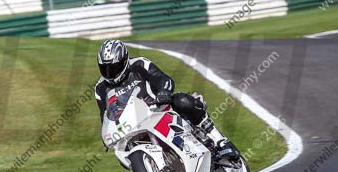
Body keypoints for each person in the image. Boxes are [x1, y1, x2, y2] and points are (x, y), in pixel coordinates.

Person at [94, 40, 240, 161]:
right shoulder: (100, 88)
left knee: (182, 101)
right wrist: (107, 134)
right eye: (105, 68)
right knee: (123, 152)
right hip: (132, 125)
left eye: (113, 68)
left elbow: (162, 78)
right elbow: (105, 116)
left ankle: (219, 140)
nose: (109, 73)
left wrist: (163, 92)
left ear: (124, 60)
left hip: (158, 109)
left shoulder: (139, 65)